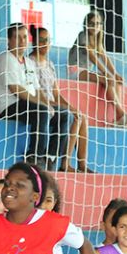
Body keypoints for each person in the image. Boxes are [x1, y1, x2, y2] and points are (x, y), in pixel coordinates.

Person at [30, 26, 91, 173]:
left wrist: (71, 107)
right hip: (41, 104)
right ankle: (65, 163)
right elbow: (37, 93)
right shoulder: (30, 62)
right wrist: (66, 108)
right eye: (42, 40)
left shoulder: (50, 65)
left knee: (81, 116)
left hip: (54, 104)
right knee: (72, 117)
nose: (45, 43)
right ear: (35, 42)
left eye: (48, 40)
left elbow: (56, 94)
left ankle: (82, 165)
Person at [0, 23, 55, 167]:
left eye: (25, 37)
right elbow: (16, 89)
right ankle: (34, 157)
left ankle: (50, 157)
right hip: (9, 107)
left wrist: (48, 104)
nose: (22, 41)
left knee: (65, 115)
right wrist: (44, 106)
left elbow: (38, 90)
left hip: (27, 105)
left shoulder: (29, 62)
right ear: (9, 40)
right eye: (17, 37)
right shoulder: (6, 59)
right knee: (42, 111)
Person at [68, 10, 127, 127]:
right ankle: (121, 115)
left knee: (115, 81)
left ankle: (120, 115)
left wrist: (115, 73)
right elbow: (91, 55)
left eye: (98, 24)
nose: (95, 26)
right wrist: (105, 72)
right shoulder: (83, 35)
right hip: (76, 70)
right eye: (92, 23)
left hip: (86, 72)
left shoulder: (97, 40)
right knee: (108, 79)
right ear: (86, 24)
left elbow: (104, 57)